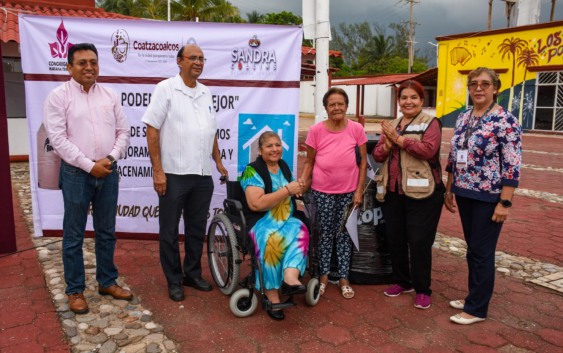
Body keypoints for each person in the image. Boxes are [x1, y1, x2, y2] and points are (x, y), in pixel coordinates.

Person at [43, 43, 132, 314]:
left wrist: (111, 158)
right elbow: (57, 140)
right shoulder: (58, 97)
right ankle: (75, 290)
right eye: (82, 62)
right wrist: (87, 165)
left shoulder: (110, 94)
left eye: (93, 61)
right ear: (69, 67)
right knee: (74, 235)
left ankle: (106, 281)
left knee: (106, 232)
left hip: (107, 171)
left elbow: (123, 131)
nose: (89, 67)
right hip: (75, 174)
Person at [142, 44, 228, 302]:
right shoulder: (165, 88)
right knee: (169, 231)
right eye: (193, 58)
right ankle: (174, 279)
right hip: (173, 174)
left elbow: (209, 131)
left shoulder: (206, 92)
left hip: (202, 176)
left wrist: (218, 161)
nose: (199, 62)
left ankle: (192, 273)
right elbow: (152, 130)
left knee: (195, 229)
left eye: (202, 58)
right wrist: (158, 171)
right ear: (179, 61)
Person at [445, 67, 522, 325]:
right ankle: (473, 297)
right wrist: (449, 188)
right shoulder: (464, 116)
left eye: (485, 84)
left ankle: (477, 309)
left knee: (481, 251)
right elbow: (454, 153)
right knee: (473, 249)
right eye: (474, 84)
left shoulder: (505, 120)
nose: (479, 88)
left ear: (495, 88)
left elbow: (512, 164)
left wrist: (505, 203)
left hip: (489, 196)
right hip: (465, 191)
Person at [372, 80, 444, 310]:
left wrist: (398, 139)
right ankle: (403, 282)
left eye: (413, 97)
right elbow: (377, 154)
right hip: (393, 191)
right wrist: (386, 144)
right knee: (395, 239)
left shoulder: (430, 123)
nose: (408, 101)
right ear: (399, 101)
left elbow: (428, 150)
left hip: (424, 192)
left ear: (422, 101)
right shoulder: (392, 124)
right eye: (404, 97)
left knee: (419, 241)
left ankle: (423, 289)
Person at [299, 87, 367, 299]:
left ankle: (344, 278)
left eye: (340, 104)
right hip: (322, 192)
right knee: (325, 234)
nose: (336, 108)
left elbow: (363, 163)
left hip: (349, 194)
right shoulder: (316, 131)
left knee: (345, 234)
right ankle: (324, 277)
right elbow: (310, 161)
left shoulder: (356, 129)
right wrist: (302, 183)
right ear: (326, 108)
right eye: (332, 104)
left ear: (346, 106)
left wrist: (359, 191)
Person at [240, 131, 309, 321]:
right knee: (272, 243)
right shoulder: (251, 171)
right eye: (269, 146)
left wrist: (296, 190)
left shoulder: (284, 166)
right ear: (260, 150)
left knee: (301, 231)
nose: (274, 149)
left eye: (277, 145)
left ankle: (290, 277)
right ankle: (272, 295)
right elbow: (256, 204)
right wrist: (287, 190)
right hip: (262, 219)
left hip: (286, 215)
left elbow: (289, 192)